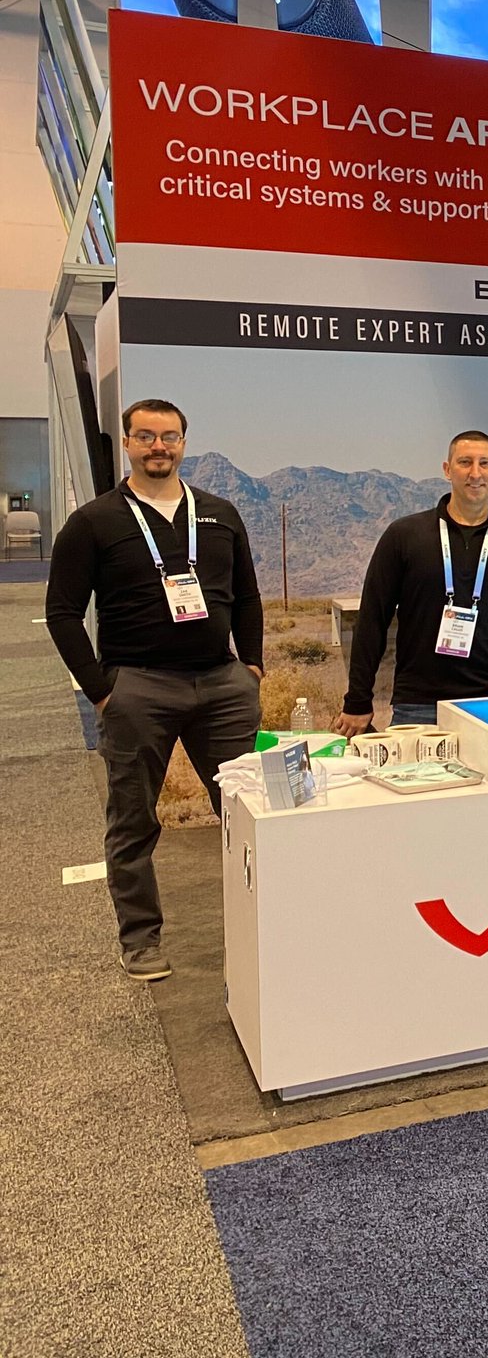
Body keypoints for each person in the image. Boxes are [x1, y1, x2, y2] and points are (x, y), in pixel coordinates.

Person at [44, 399, 264, 981]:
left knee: (246, 814)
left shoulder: (218, 514)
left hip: (222, 686)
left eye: (169, 436)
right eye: (145, 436)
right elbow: (63, 612)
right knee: (133, 820)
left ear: (184, 442)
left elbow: (247, 596)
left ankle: (261, 928)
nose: (158, 446)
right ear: (127, 444)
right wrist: (101, 691)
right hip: (137, 688)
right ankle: (140, 939)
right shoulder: (94, 522)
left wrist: (252, 668)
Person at [337, 431, 488, 735]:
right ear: (447, 469)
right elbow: (372, 619)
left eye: (484, 463)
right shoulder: (404, 535)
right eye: (465, 462)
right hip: (419, 704)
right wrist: (358, 699)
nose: (475, 473)